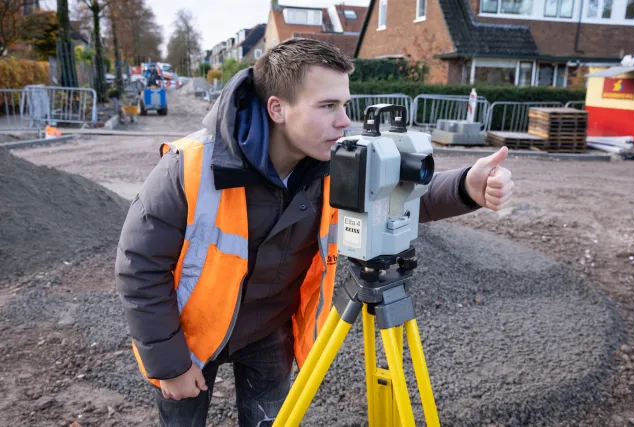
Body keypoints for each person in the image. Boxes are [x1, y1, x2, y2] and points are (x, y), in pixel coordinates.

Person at [115, 38, 514, 427]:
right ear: (278, 109)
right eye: (328, 106)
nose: (344, 121)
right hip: (190, 334)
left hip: (271, 331)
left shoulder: (335, 160)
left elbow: (397, 197)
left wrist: (465, 187)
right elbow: (140, 266)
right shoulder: (190, 167)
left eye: (345, 105)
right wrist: (169, 365)